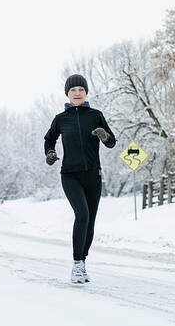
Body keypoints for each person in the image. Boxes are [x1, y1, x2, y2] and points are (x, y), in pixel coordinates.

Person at [44, 74, 116, 283]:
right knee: (82, 214)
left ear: (86, 93)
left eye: (81, 90)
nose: (77, 93)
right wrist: (50, 154)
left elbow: (111, 142)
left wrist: (104, 136)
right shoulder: (60, 119)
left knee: (90, 221)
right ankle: (76, 265)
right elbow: (49, 139)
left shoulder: (95, 115)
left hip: (93, 175)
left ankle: (83, 262)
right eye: (73, 90)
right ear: (67, 94)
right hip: (70, 175)